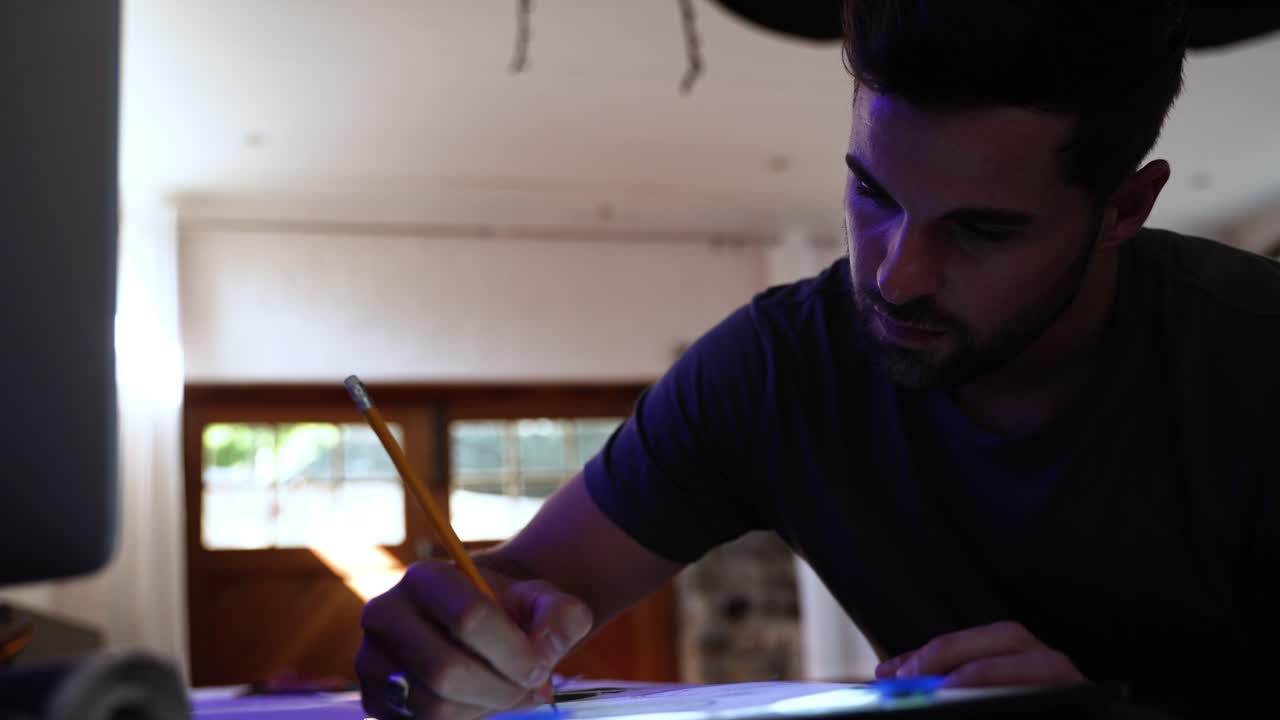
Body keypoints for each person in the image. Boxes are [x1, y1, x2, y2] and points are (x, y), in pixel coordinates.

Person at [356, 2, 1279, 718]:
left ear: (1125, 206)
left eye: (984, 230)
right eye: (872, 192)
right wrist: (446, 644)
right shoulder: (773, 370)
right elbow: (520, 593)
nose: (896, 275)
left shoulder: (1252, 358)